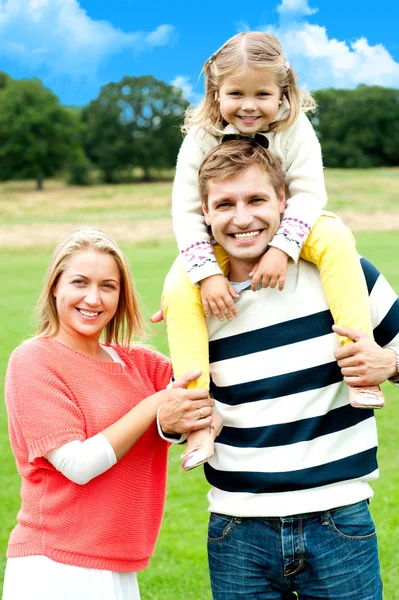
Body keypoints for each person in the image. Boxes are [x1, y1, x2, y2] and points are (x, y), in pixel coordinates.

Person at [162, 138, 399, 599]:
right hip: (236, 532)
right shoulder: (196, 300)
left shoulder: (346, 274)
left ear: (284, 202)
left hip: (340, 522)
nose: (242, 217)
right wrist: (169, 425)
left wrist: (389, 362)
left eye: (256, 199)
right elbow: (178, 406)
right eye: (224, 204)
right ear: (204, 215)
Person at [163, 31, 384, 472]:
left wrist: (282, 249)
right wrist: (206, 275)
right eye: (235, 94)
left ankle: (356, 360)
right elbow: (188, 213)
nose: (249, 106)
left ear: (283, 93)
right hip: (219, 244)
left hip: (295, 225)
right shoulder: (200, 139)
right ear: (215, 93)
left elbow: (308, 194)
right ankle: (199, 418)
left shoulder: (294, 128)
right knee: (177, 285)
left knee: (337, 238)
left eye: (262, 93)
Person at [3, 228, 213, 600]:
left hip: (118, 563)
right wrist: (154, 405)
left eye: (108, 286)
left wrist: (187, 315)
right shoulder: (35, 360)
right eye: (80, 282)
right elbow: (77, 464)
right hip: (55, 566)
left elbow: (210, 390)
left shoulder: (143, 366)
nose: (93, 298)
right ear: (55, 287)